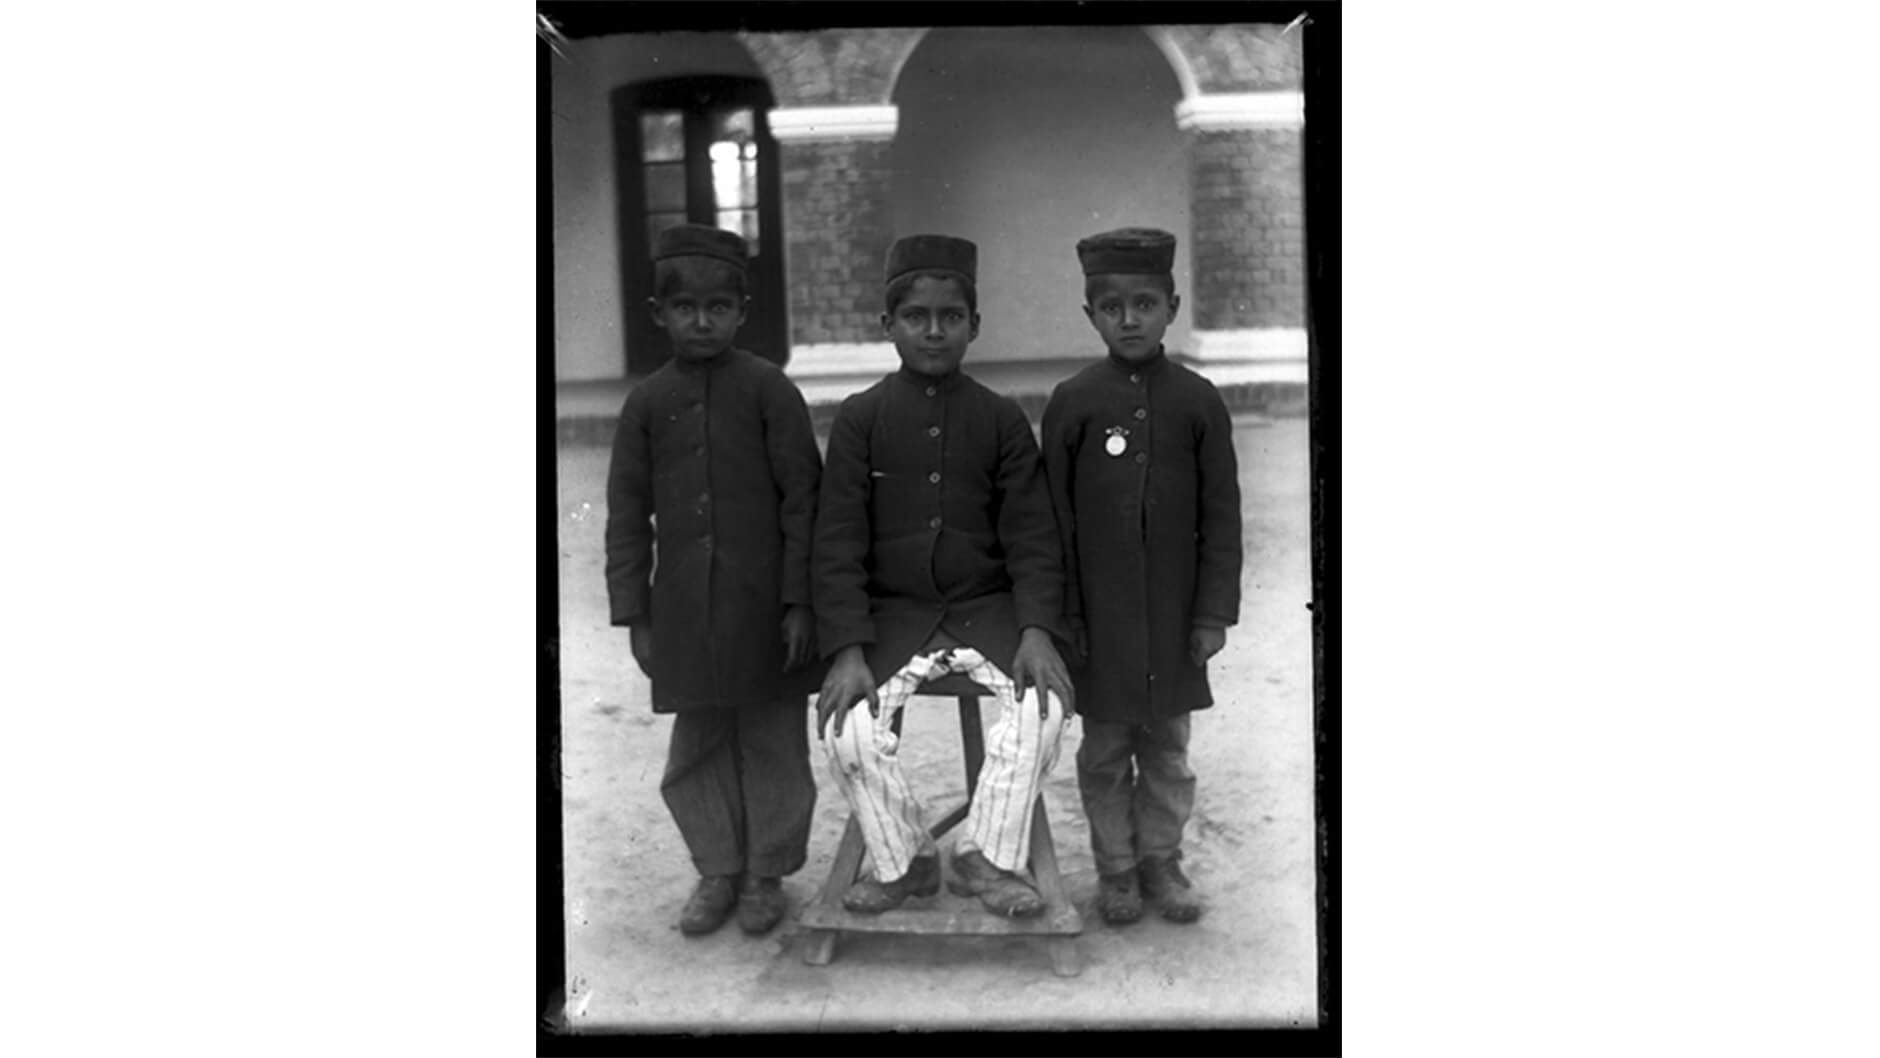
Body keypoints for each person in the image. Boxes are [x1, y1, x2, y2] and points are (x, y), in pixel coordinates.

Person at [813, 234, 1077, 918]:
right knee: (847, 729)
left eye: (951, 317)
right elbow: (836, 543)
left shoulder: (1000, 419)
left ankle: (988, 858)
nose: (934, 331)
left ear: (974, 326)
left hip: (986, 614)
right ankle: (906, 861)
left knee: (1044, 707)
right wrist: (846, 649)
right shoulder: (860, 419)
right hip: (893, 620)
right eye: (916, 317)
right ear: (888, 325)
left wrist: (1037, 632)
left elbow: (1034, 540)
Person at [604, 224, 823, 937]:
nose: (702, 321)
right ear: (657, 313)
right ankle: (717, 869)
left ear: (741, 310)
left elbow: (805, 504)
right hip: (685, 613)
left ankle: (766, 874)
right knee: (696, 747)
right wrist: (636, 614)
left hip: (765, 612)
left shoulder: (769, 391)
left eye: (719, 307)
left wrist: (799, 603)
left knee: (773, 743)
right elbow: (627, 516)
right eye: (686, 308)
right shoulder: (645, 404)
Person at [1040, 227, 1243, 925]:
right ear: (1090, 314)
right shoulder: (1073, 401)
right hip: (1100, 623)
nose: (1130, 319)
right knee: (1103, 752)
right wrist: (1065, 615)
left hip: (1174, 619)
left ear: (1173, 306)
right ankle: (1117, 870)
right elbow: (1054, 520)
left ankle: (1162, 860)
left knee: (1168, 749)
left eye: (1146, 304)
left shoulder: (1198, 401)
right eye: (1113, 307)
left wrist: (1212, 614)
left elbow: (1222, 516)